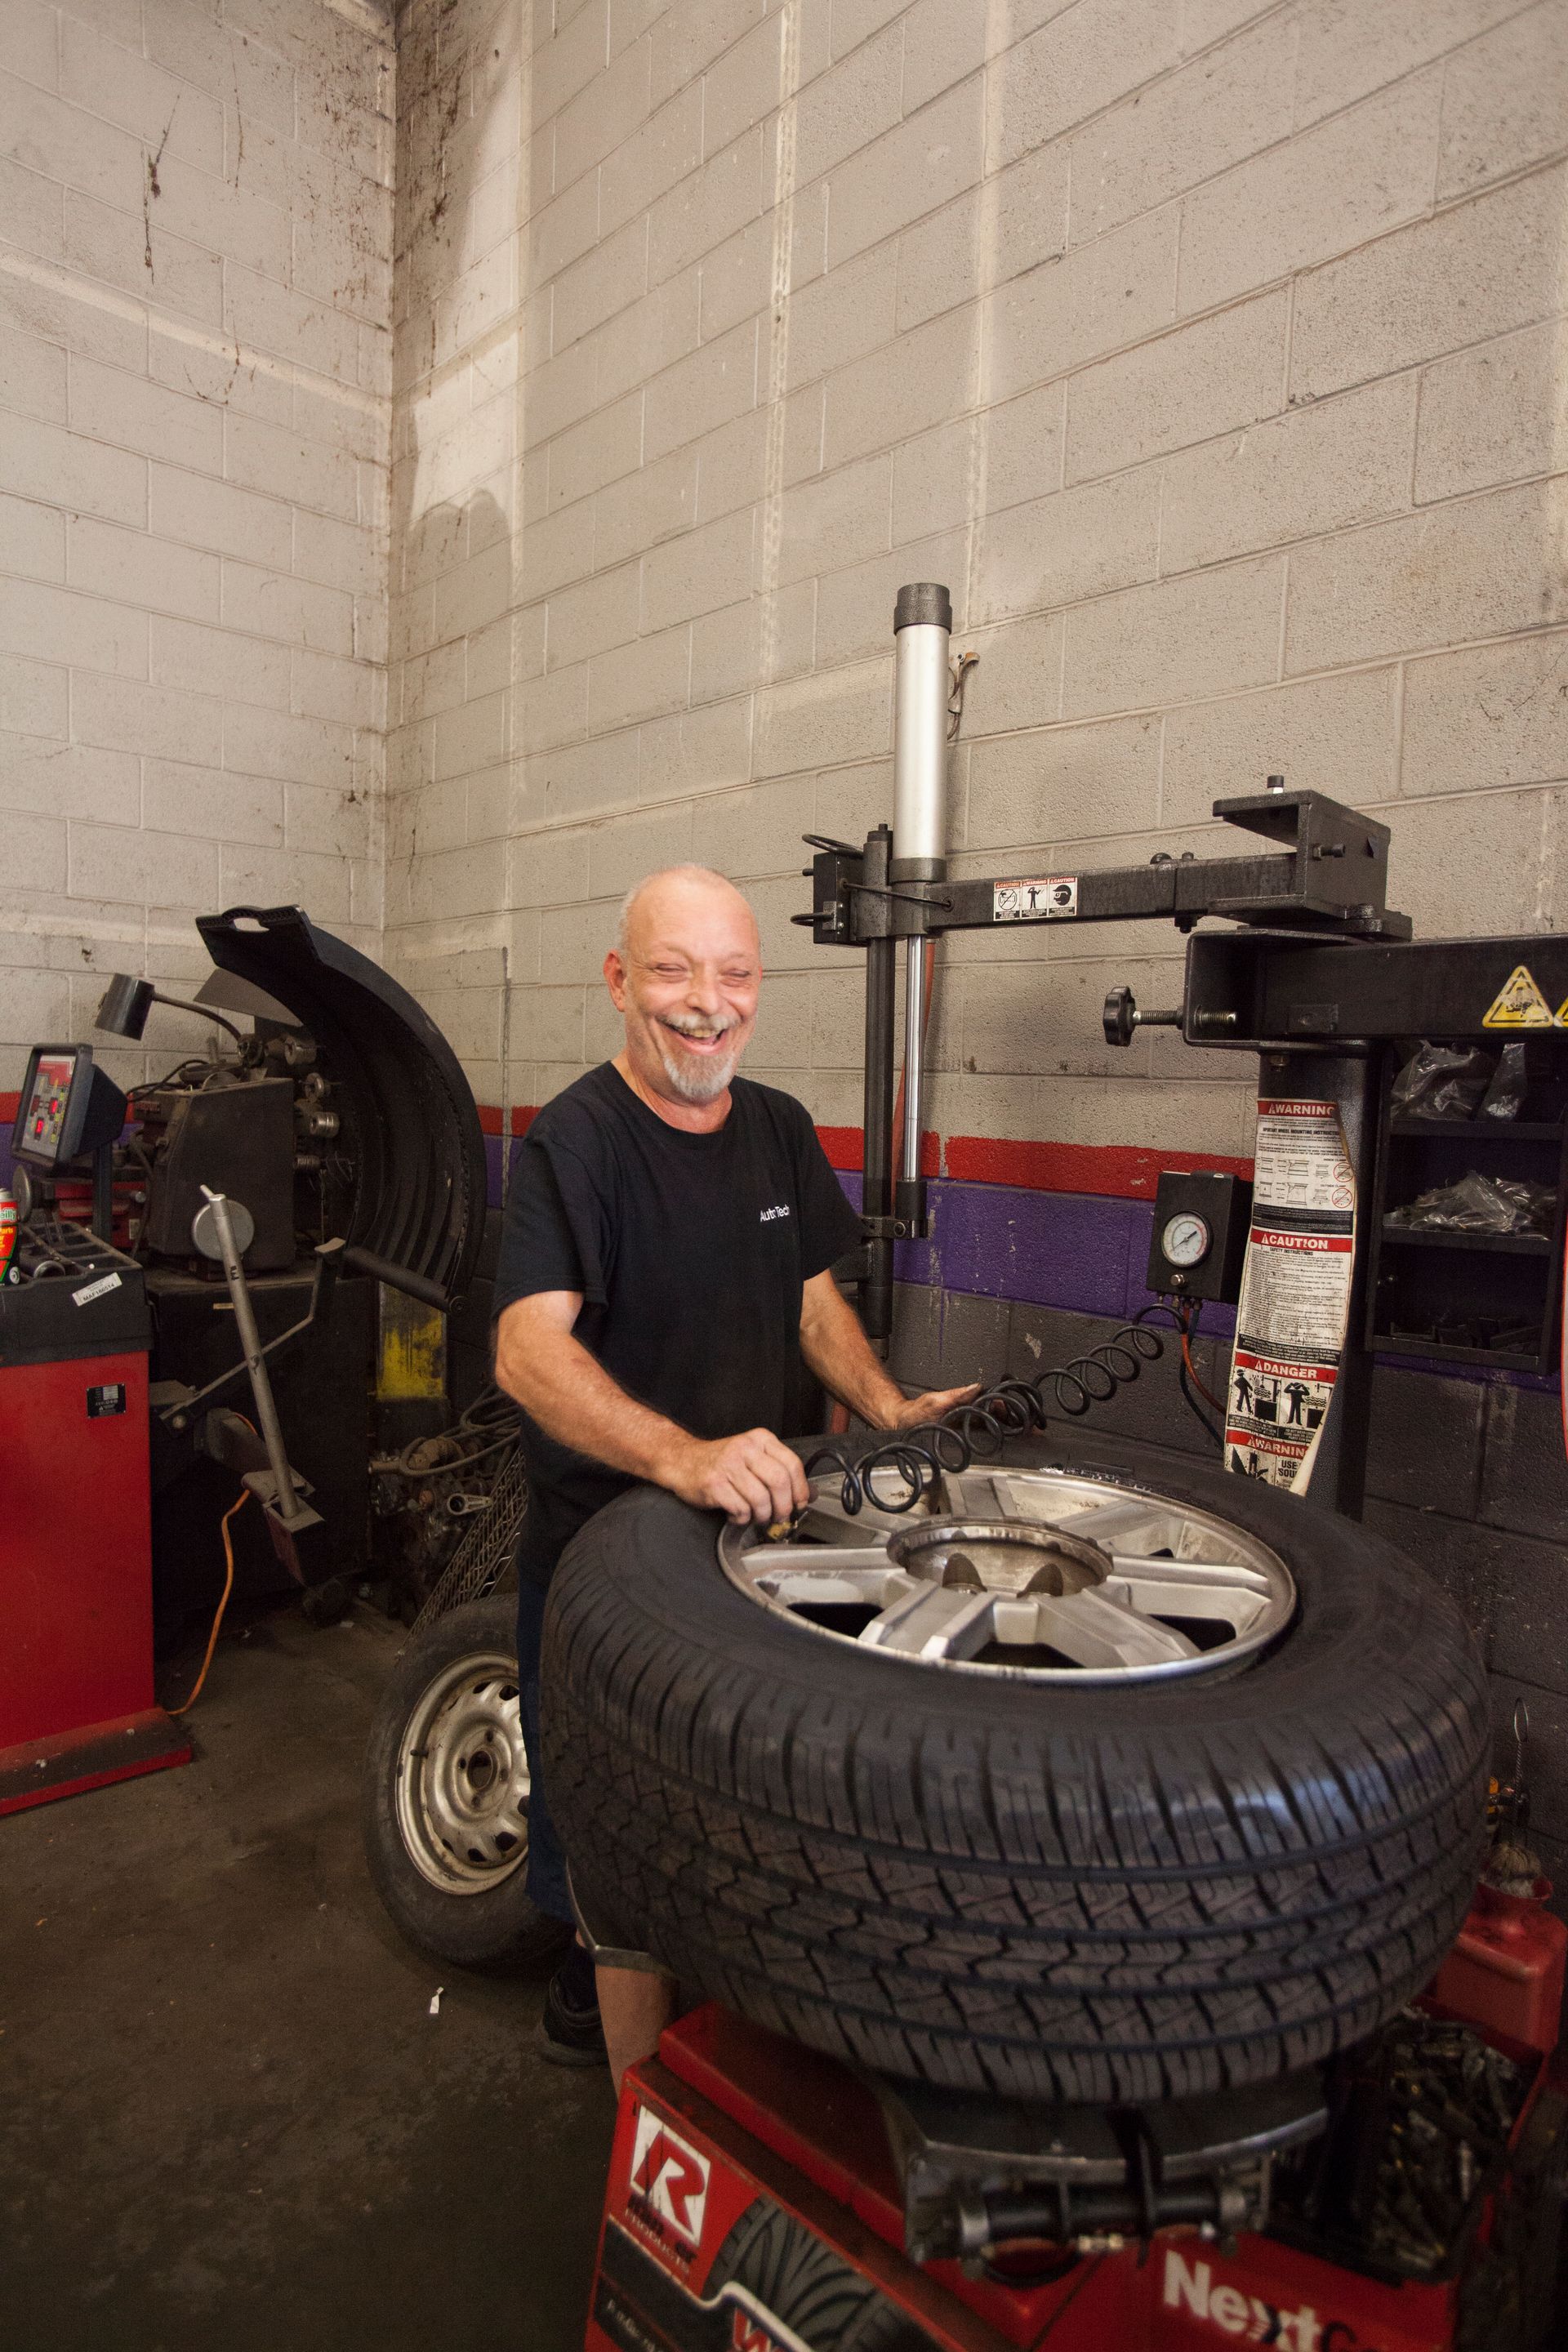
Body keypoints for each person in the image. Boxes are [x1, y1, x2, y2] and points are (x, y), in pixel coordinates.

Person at [492, 866, 977, 2086]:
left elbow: (812, 1303)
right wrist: (685, 1457)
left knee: (725, 1811)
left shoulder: (776, 1129)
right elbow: (524, 1348)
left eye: (735, 974)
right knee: (608, 1838)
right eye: (672, 971)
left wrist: (889, 1409)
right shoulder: (578, 1142)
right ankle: (635, 2114)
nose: (707, 1005)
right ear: (618, 982)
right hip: (611, 1561)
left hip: (760, 1549)